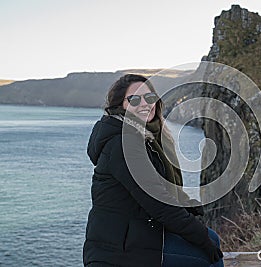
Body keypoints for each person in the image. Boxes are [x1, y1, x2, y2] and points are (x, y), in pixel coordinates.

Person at [83, 73, 224, 267]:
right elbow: (157, 202)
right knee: (209, 258)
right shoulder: (124, 144)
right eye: (134, 99)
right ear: (119, 105)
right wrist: (199, 236)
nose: (144, 104)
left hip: (137, 232)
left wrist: (187, 209)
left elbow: (155, 190)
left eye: (150, 98)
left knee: (212, 238)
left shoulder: (146, 137)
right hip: (119, 249)